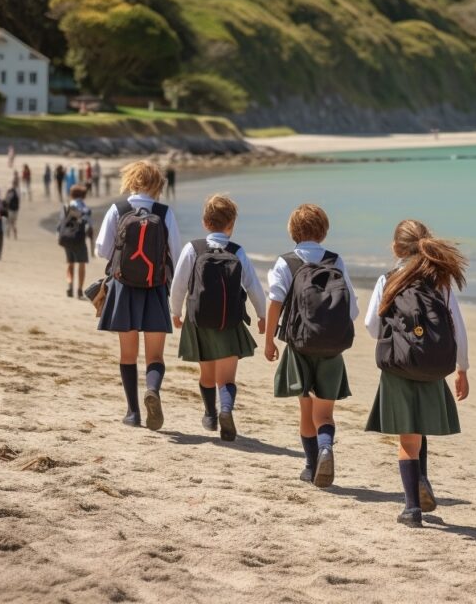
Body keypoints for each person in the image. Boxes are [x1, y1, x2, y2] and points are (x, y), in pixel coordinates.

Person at [363, 220, 469, 527]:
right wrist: (463, 368)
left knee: (407, 437)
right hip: (433, 365)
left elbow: (372, 325)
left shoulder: (388, 280)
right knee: (419, 430)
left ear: (395, 248)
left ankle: (411, 508)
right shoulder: (440, 280)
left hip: (399, 364)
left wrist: (398, 335)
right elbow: (456, 328)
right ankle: (422, 479)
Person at [264, 204, 359, 486]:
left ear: (293, 231)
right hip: (331, 346)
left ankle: (310, 465)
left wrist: (269, 340)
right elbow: (351, 307)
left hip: (299, 345)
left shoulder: (286, 262)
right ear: (324, 230)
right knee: (325, 412)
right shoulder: (335, 261)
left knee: (306, 409)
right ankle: (326, 446)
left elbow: (275, 302)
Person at [170, 195, 266, 441]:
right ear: (231, 224)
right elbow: (254, 286)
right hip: (230, 321)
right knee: (227, 378)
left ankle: (210, 414)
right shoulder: (237, 251)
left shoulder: (193, 248)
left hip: (198, 319)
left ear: (205, 222)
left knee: (207, 375)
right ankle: (225, 409)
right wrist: (262, 315)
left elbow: (179, 284)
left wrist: (176, 311)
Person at [95, 161, 181, 430]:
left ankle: (132, 413)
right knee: (155, 356)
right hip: (154, 289)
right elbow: (176, 256)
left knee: (127, 355)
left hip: (123, 289)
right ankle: (152, 389)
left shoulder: (118, 209)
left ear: (130, 180)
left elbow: (101, 249)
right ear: (158, 185)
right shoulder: (164, 213)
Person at [58, 184, 94, 298]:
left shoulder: (67, 206)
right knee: (81, 264)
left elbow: (60, 225)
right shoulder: (85, 208)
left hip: (67, 238)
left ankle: (70, 286)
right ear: (83, 195)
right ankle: (79, 290)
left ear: (72, 195)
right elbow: (89, 225)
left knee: (70, 263)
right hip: (79, 239)